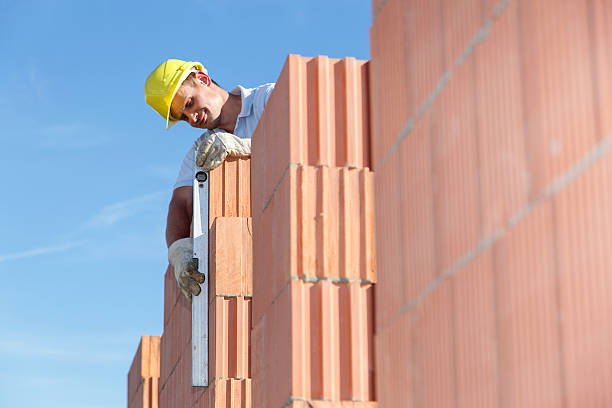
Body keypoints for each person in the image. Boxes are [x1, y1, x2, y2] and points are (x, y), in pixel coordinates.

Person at [144, 59, 274, 300]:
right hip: (254, 262)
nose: (192, 118)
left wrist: (246, 147)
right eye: (184, 117)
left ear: (203, 79)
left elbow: (301, 138)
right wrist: (179, 251)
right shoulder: (200, 151)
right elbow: (180, 203)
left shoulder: (268, 99)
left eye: (190, 103)